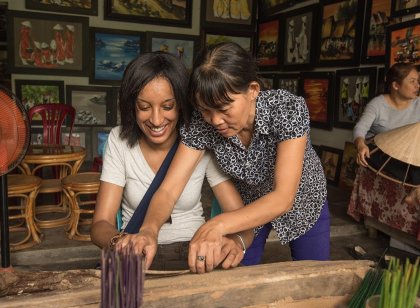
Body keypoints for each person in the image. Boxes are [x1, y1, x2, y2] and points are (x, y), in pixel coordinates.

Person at [130, 42, 330, 274]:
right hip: (247, 204)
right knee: (235, 271)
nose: (215, 121)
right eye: (206, 110)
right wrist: (149, 230)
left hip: (302, 199)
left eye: (224, 109)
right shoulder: (201, 122)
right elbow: (168, 190)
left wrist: (218, 224)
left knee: (313, 274)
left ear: (253, 90)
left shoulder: (286, 109)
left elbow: (282, 198)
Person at [90, 51, 253, 271]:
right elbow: (101, 224)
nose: (156, 120)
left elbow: (240, 217)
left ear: (183, 104)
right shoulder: (119, 141)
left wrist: (235, 243)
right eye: (144, 107)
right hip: (139, 253)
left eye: (167, 107)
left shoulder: (200, 138)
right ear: (131, 105)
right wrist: (121, 242)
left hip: (195, 252)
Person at [353, 63, 420, 168]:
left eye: (417, 81)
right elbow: (360, 128)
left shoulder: (418, 103)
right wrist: (361, 145)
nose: (418, 85)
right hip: (378, 160)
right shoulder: (377, 104)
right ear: (396, 85)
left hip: (407, 161)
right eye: (412, 81)